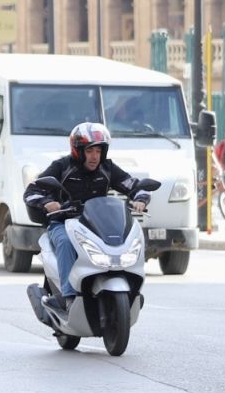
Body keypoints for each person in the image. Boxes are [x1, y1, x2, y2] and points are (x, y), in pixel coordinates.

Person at [24, 122, 149, 301]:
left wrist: (140, 199)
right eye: (90, 151)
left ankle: (131, 290)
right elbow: (31, 192)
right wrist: (47, 202)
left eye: (98, 151)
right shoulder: (62, 166)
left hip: (95, 225)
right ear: (78, 150)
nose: (94, 157)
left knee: (129, 240)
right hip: (64, 223)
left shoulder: (107, 168)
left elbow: (135, 186)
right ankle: (68, 296)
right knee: (65, 243)